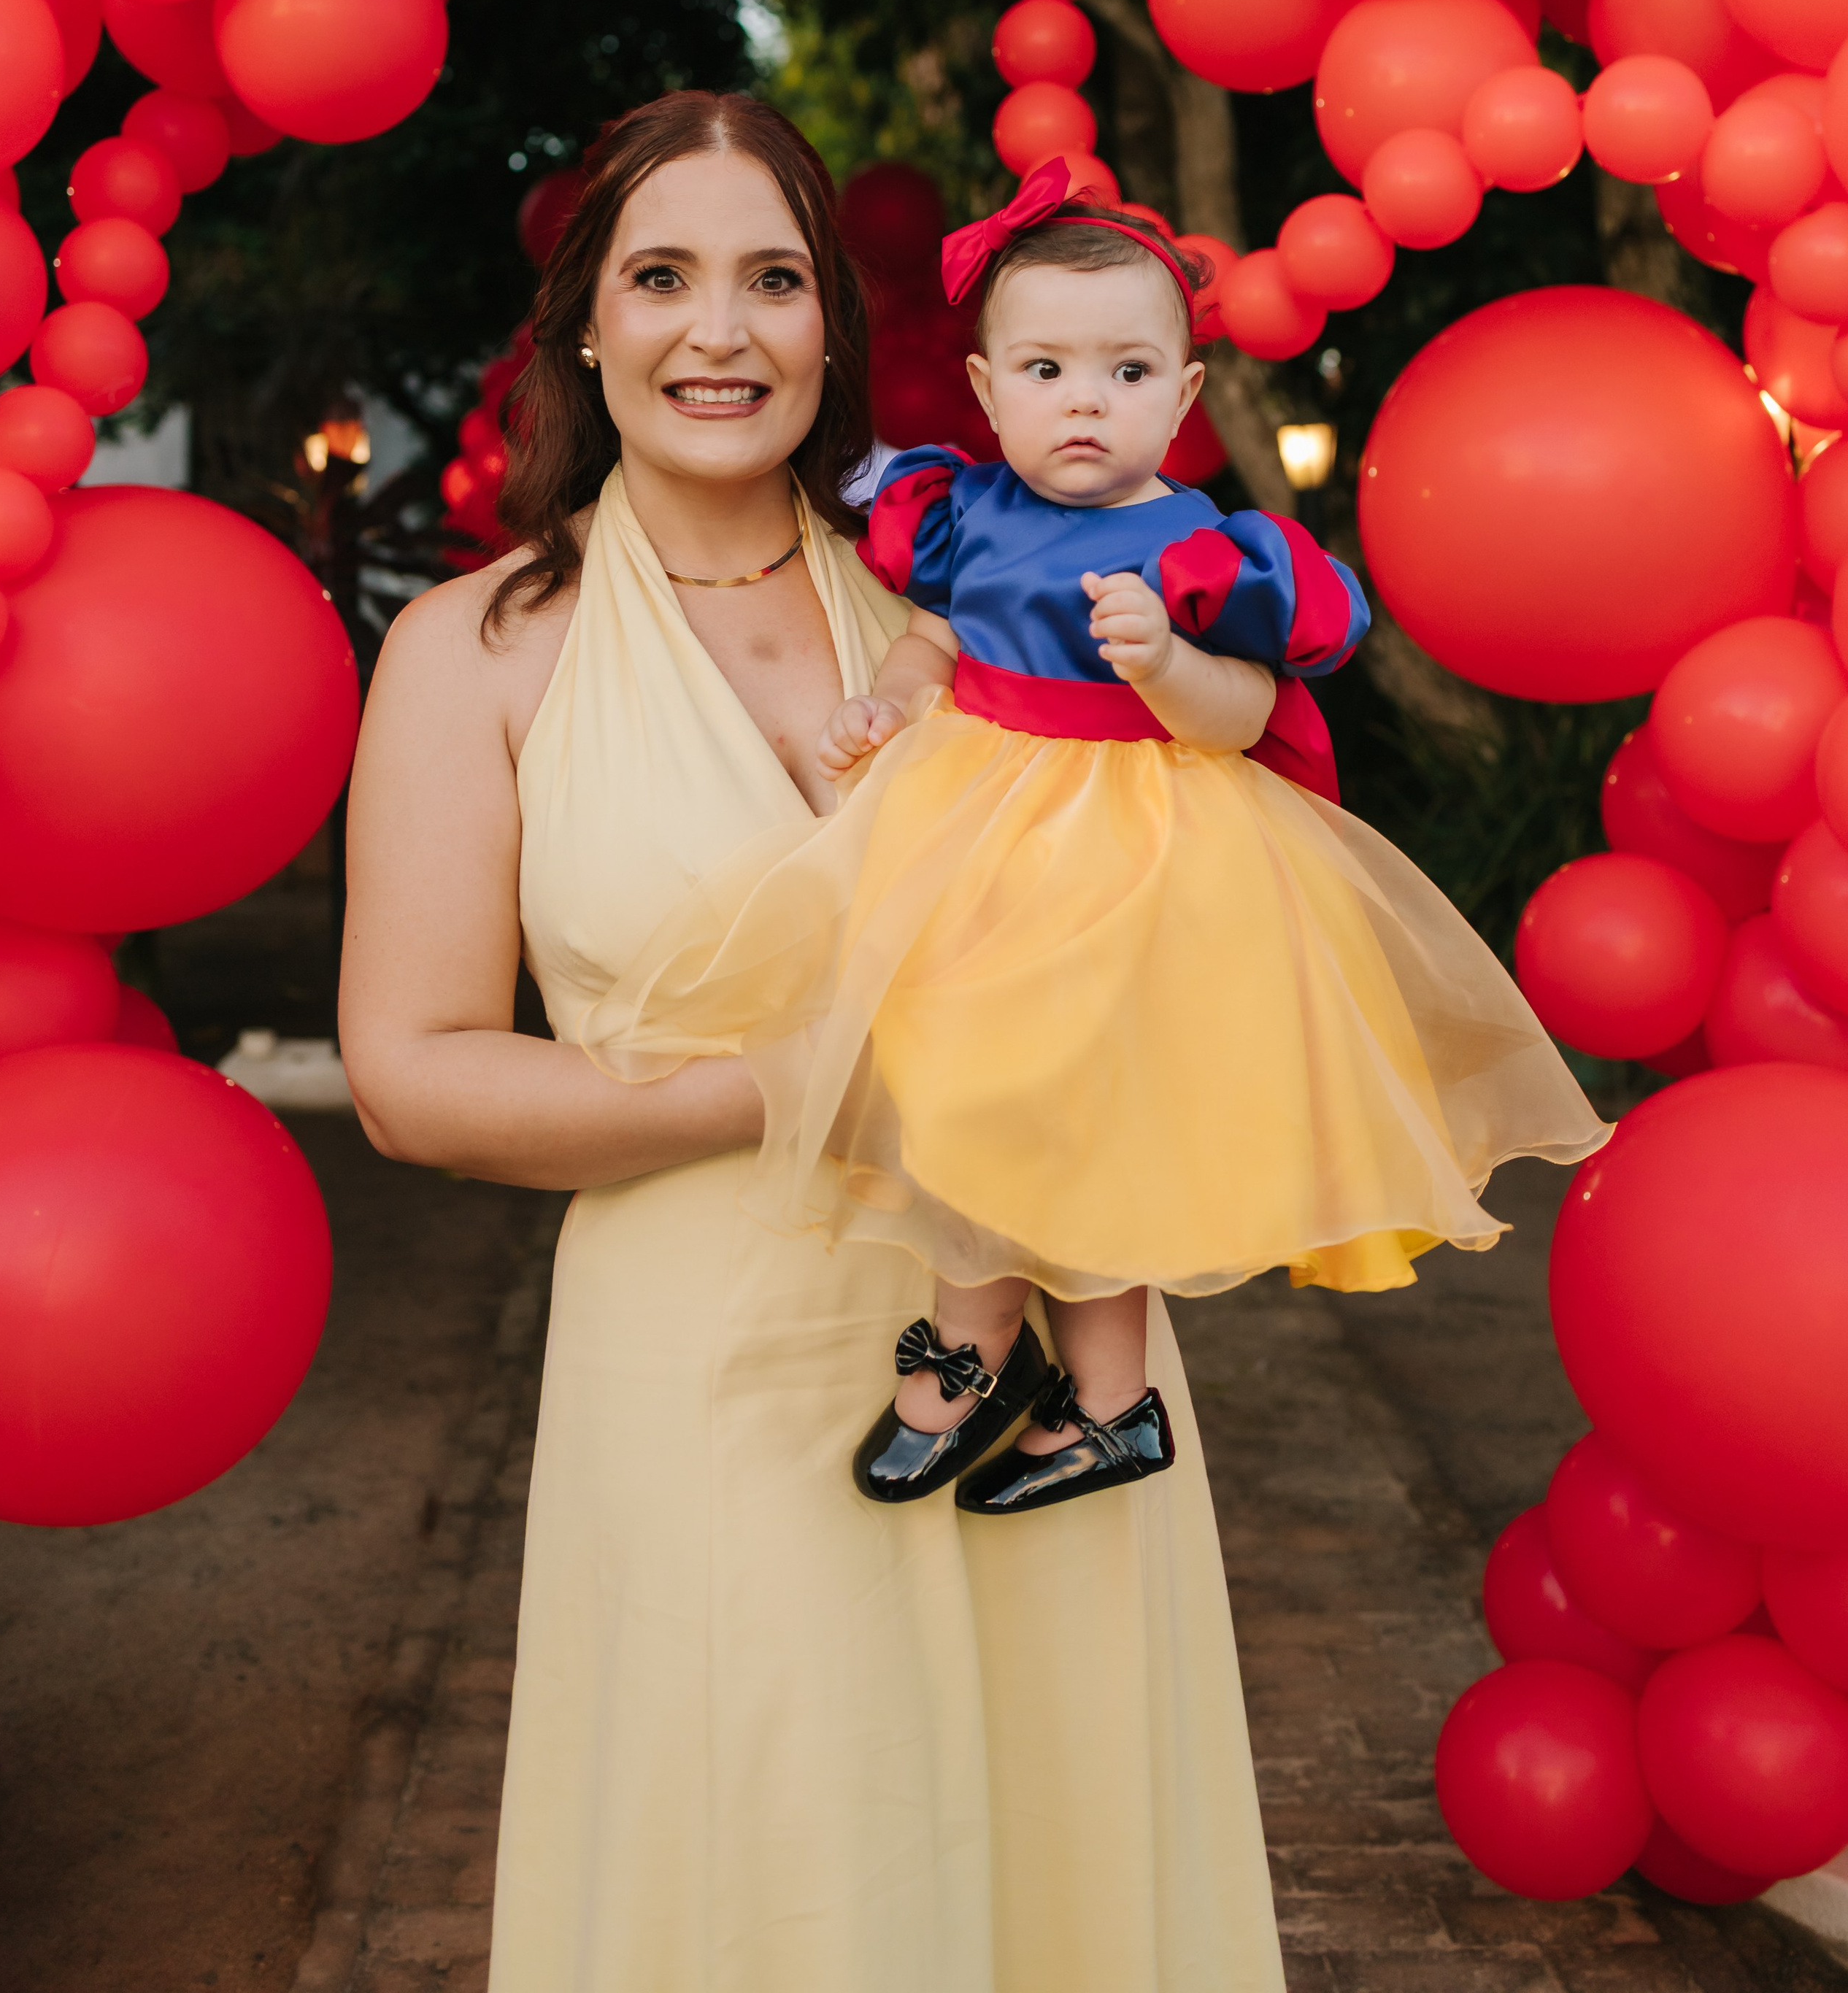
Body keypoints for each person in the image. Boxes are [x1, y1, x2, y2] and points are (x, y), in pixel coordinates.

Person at [339, 92, 1287, 1993]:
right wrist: (793, 1080)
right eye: (661, 277)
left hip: (1038, 1349)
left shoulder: (978, 599)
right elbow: (411, 1071)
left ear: (836, 338)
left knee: (1067, 1859)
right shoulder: (474, 653)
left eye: (774, 279)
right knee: (780, 1880)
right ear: (582, 330)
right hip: (714, 1364)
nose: (719, 331)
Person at [589, 156, 1609, 1521]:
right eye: (1051, 371)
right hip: (981, 823)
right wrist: (882, 708)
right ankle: (1058, 1387)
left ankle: (1031, 1379)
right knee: (983, 1095)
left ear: (1184, 397)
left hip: (1138, 853)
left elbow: (1246, 716)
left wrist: (1166, 667)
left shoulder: (1203, 550)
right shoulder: (967, 515)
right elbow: (938, 644)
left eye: (1128, 373)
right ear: (987, 389)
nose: (1086, 403)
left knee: (1080, 1123)